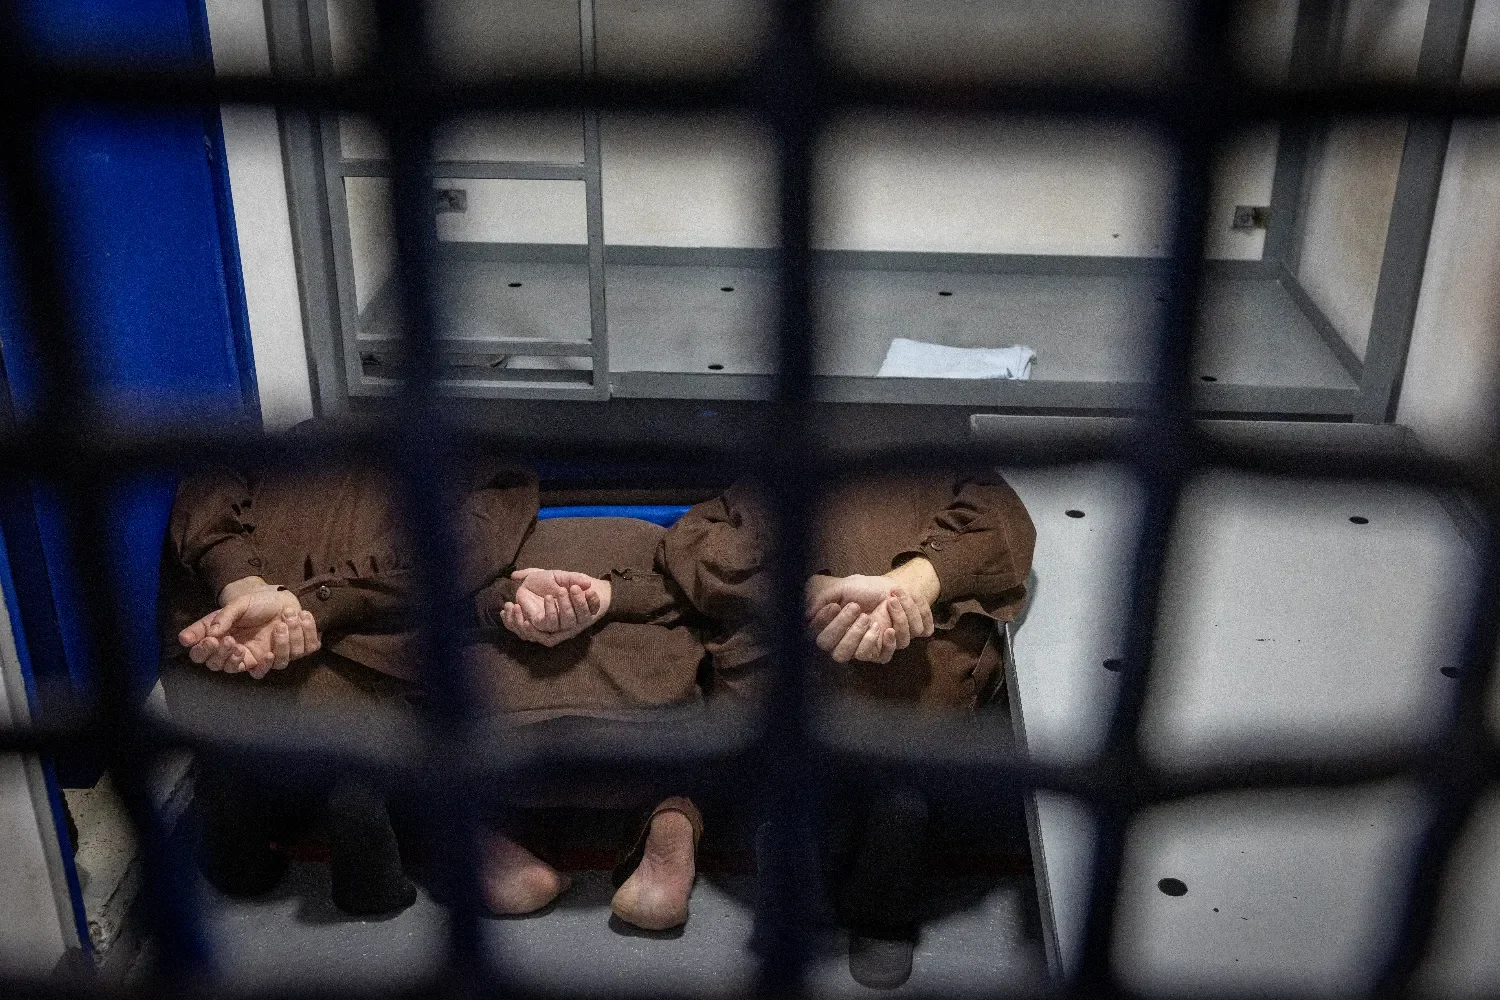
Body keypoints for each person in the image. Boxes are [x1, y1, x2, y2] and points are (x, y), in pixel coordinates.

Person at [159, 421, 706, 928]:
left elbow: (210, 480)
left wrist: (247, 585)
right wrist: (275, 595)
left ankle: (445, 826)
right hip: (323, 659)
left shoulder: (319, 445)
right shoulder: (497, 483)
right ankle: (663, 814)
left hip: (234, 650)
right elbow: (440, 581)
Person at [654, 472, 1036, 988]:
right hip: (794, 673)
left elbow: (1005, 522)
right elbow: (691, 544)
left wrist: (909, 584)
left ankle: (881, 895)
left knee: (899, 794)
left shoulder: (939, 471)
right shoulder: (764, 485)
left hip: (912, 674)